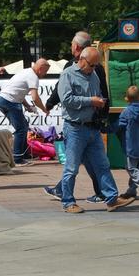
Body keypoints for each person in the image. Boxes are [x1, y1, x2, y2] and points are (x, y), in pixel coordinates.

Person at [58, 47, 134, 214]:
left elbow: (97, 93)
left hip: (93, 127)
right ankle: (68, 202)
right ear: (82, 60)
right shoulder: (67, 74)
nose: (94, 69)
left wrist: (100, 101)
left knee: (102, 165)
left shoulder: (94, 75)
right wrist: (90, 101)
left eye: (96, 66)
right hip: (75, 128)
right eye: (92, 65)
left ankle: (112, 199)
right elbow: (66, 99)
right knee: (72, 168)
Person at [44, 31, 108, 202]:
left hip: (87, 123)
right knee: (78, 163)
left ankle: (102, 193)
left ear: (77, 47)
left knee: (84, 163)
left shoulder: (94, 69)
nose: (71, 47)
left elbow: (102, 94)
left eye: (72, 44)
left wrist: (50, 102)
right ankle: (64, 192)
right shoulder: (73, 69)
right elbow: (64, 92)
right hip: (81, 122)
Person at [0, 57, 51, 166]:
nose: (44, 74)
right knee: (21, 129)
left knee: (23, 126)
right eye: (45, 71)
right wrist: (44, 109)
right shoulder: (33, 77)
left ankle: (24, 154)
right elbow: (35, 98)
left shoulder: (26, 71)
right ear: (40, 68)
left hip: (4, 100)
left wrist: (27, 106)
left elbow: (18, 92)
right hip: (10, 102)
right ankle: (18, 158)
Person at [116, 85, 139, 200]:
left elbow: (119, 125)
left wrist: (105, 129)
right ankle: (132, 191)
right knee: (137, 169)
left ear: (127, 98)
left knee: (130, 168)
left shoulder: (126, 112)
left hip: (130, 145)